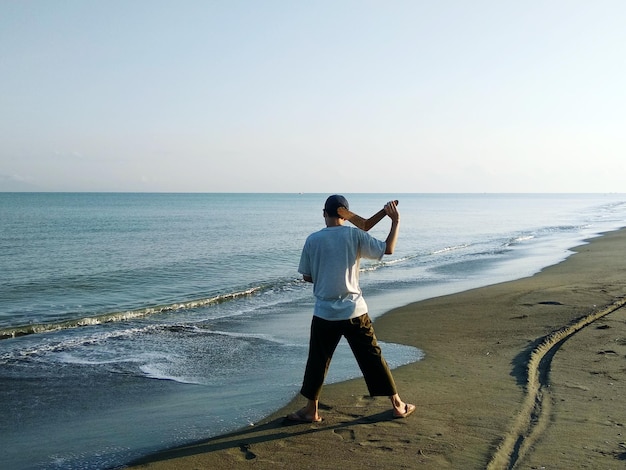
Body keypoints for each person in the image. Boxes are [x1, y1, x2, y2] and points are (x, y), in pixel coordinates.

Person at [287, 195, 415, 423]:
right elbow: (388, 249)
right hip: (354, 310)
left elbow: (307, 276)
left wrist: (325, 273)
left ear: (324, 213)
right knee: (373, 358)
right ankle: (397, 405)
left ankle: (311, 410)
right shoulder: (354, 234)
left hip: (324, 312)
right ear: (345, 214)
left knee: (318, 361)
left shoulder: (312, 240)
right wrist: (394, 222)